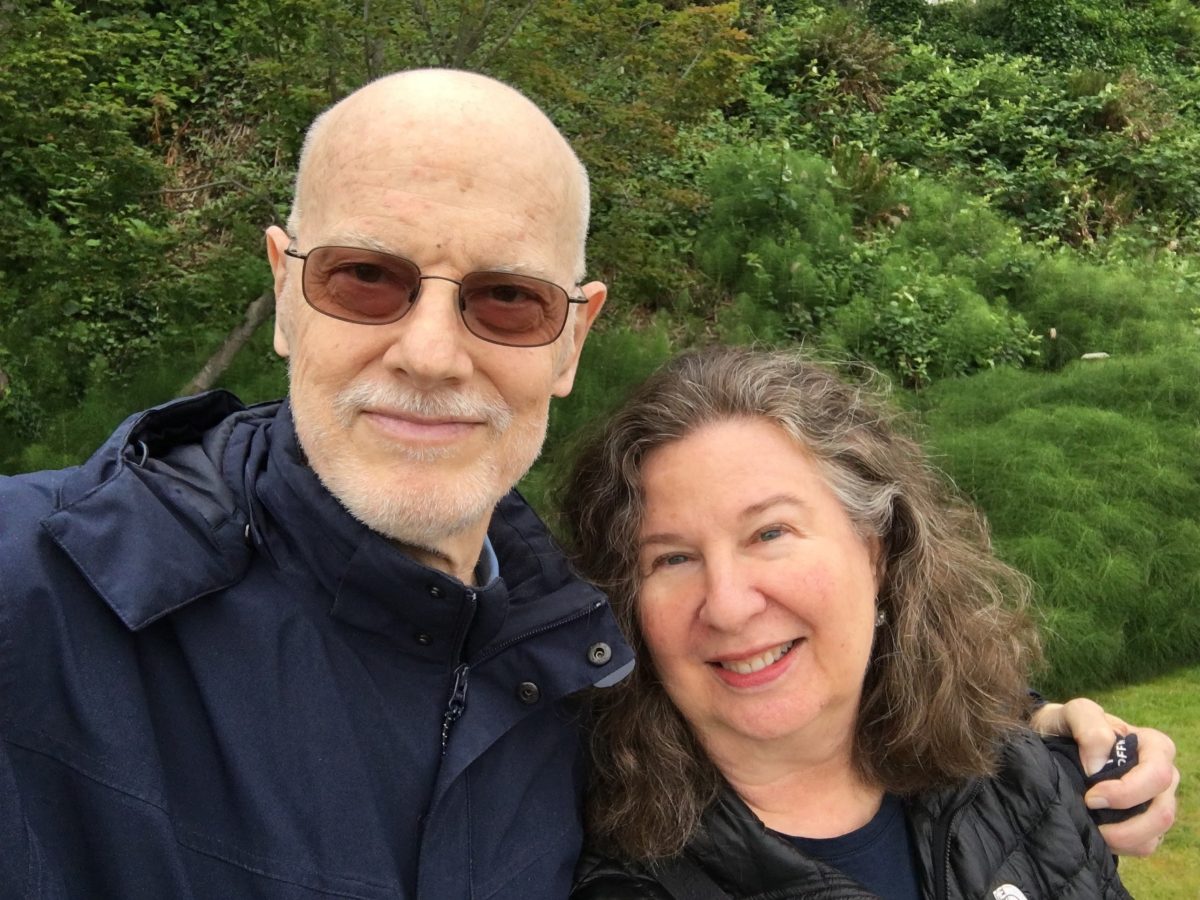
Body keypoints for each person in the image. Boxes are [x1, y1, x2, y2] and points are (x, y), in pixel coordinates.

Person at [0, 71, 1174, 899]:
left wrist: (1041, 740)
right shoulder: (36, 594)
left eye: (505, 298)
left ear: (571, 338)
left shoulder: (566, 674)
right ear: (286, 282)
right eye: (368, 279)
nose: (430, 351)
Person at [563, 347, 1176, 900]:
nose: (726, 604)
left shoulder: (1022, 781)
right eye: (671, 558)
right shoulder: (611, 876)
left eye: (770, 533)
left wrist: (1063, 740)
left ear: (877, 550)